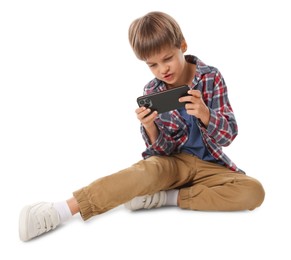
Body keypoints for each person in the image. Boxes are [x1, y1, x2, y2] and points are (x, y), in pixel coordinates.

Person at [19, 11, 265, 242]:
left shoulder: (210, 77)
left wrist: (205, 114)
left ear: (183, 46)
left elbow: (228, 135)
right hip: (173, 163)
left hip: (209, 164)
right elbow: (161, 151)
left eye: (167, 58)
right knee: (142, 173)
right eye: (152, 65)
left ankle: (168, 198)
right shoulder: (152, 91)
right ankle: (59, 210)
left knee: (253, 191)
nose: (162, 70)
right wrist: (150, 128)